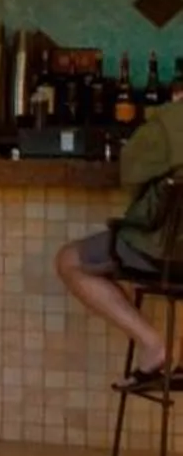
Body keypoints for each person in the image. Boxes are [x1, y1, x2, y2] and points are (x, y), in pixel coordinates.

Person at [53, 81, 183, 389]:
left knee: (69, 260)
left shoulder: (172, 121)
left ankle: (155, 344)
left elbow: (131, 174)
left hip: (162, 252)